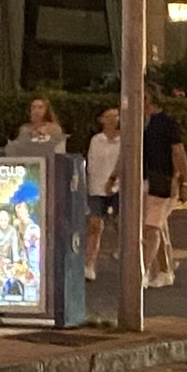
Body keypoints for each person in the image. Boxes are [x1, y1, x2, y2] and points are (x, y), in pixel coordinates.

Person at [142, 84, 187, 288]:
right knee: (158, 226)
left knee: (151, 227)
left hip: (161, 180)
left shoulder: (166, 123)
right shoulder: (136, 122)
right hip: (141, 180)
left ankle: (143, 272)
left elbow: (178, 152)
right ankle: (164, 270)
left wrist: (183, 180)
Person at [83, 104, 123, 281]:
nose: (113, 120)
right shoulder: (96, 140)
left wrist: (113, 179)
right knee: (94, 226)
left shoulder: (124, 140)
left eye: (116, 116)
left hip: (119, 187)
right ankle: (89, 264)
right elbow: (91, 165)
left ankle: (128, 259)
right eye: (109, 117)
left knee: (122, 225)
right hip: (97, 188)